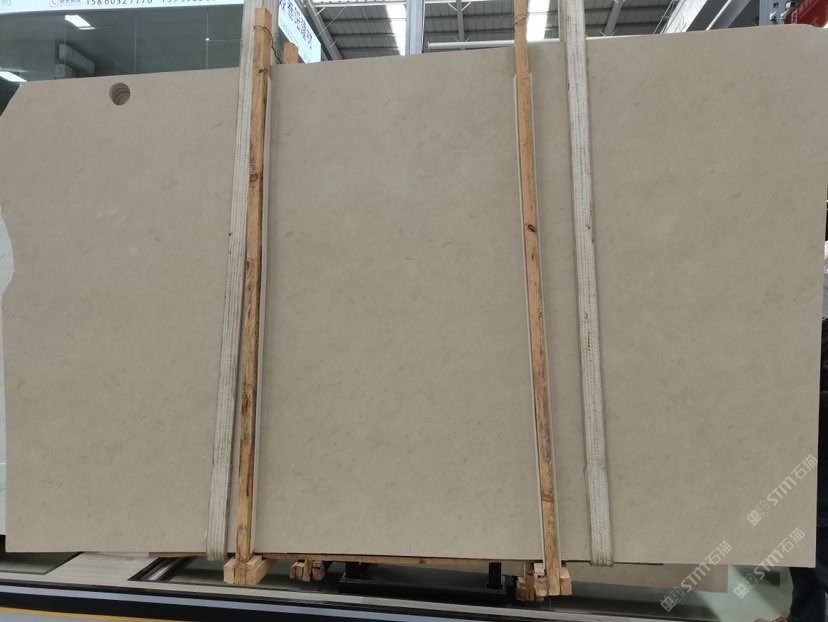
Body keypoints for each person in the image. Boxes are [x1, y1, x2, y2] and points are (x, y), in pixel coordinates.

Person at [756, 318, 828, 622]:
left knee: (818, 548)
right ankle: (805, 617)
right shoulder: (813, 325)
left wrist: (801, 402)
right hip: (803, 456)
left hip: (820, 457)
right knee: (803, 550)